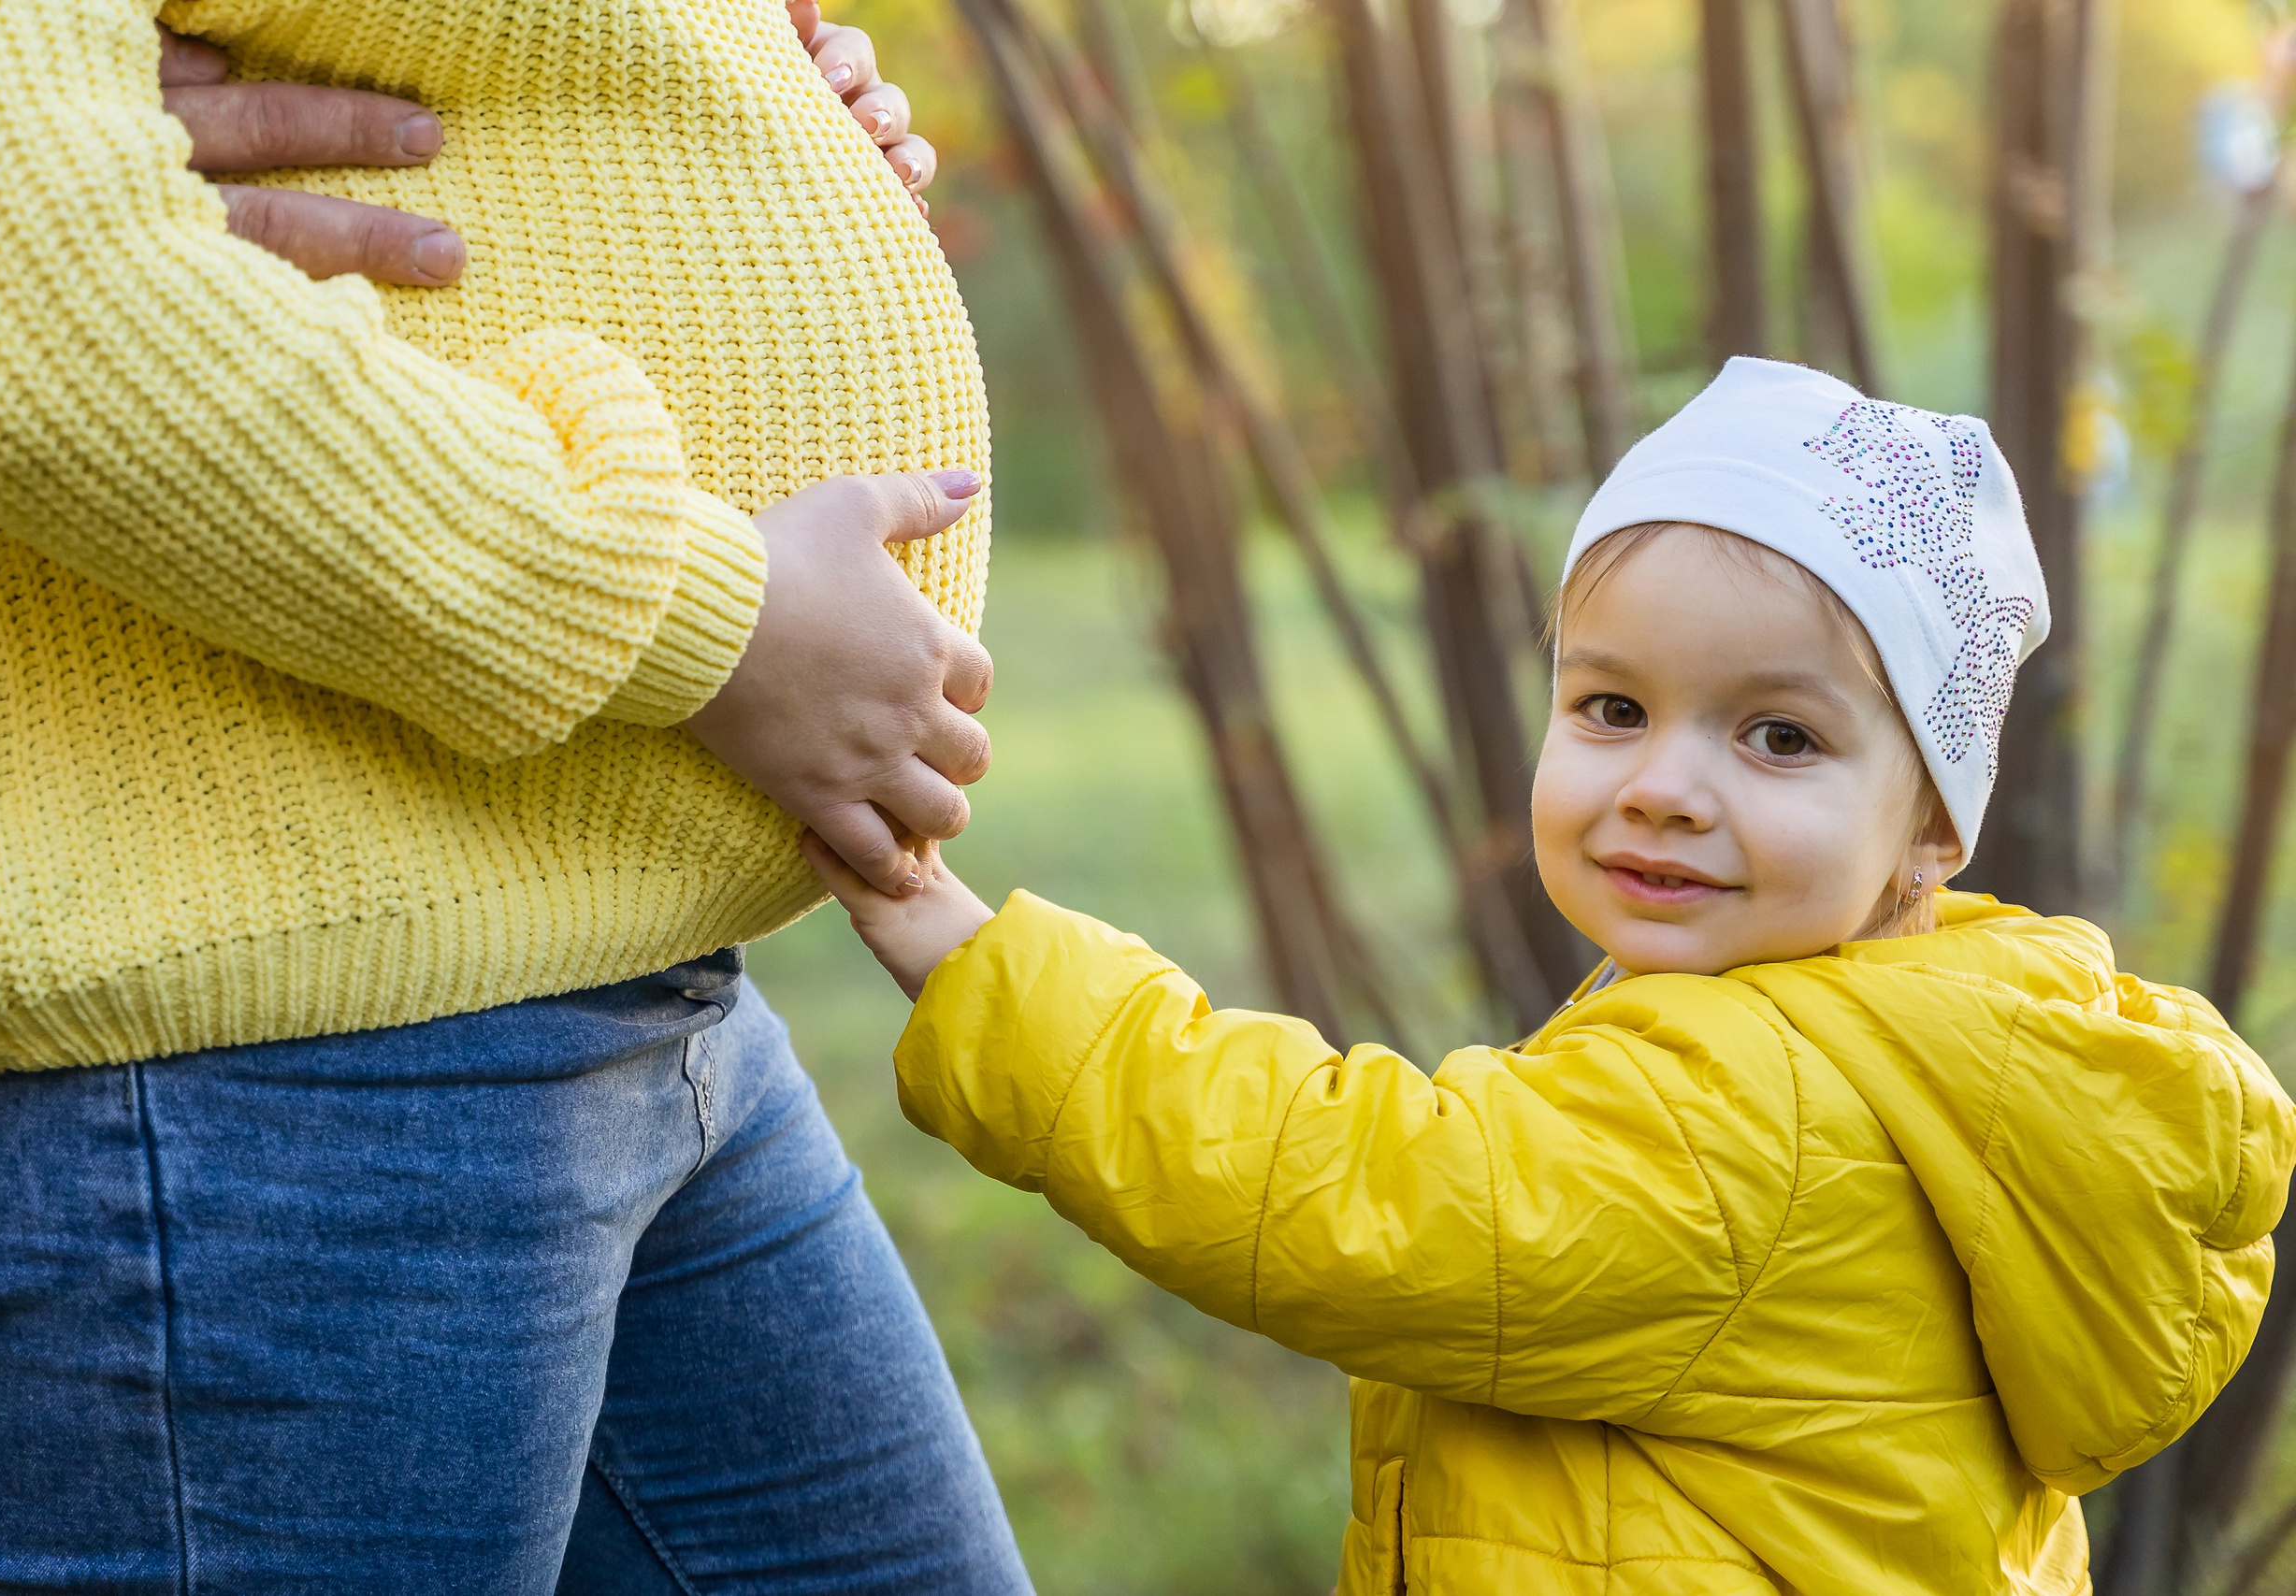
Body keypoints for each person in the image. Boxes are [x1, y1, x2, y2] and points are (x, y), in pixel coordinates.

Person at [807, 357, 2296, 1594]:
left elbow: (1362, 1197)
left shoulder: (1760, 1116)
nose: (1662, 785)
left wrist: (989, 973)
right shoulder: (1909, 1047)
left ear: (1931, 832)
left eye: (1777, 736)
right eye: (1612, 705)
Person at [0, 2, 1031, 1590]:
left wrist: (741, 101)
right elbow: (15, 280)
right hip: (264, 1054)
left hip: (630, 1001)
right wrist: (701, 622)